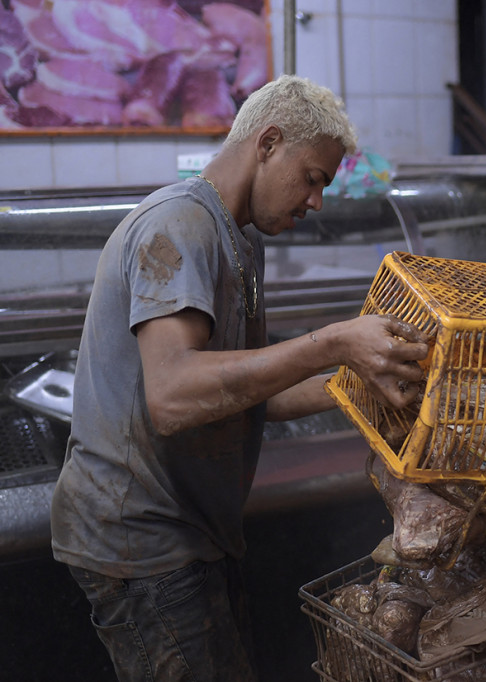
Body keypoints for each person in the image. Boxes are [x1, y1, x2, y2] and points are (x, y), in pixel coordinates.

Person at [49, 75, 429, 682]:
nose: (316, 203)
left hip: (197, 528)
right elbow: (173, 396)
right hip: (141, 536)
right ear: (269, 142)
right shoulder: (179, 225)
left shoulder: (239, 241)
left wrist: (366, 385)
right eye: (312, 178)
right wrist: (332, 341)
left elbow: (250, 392)